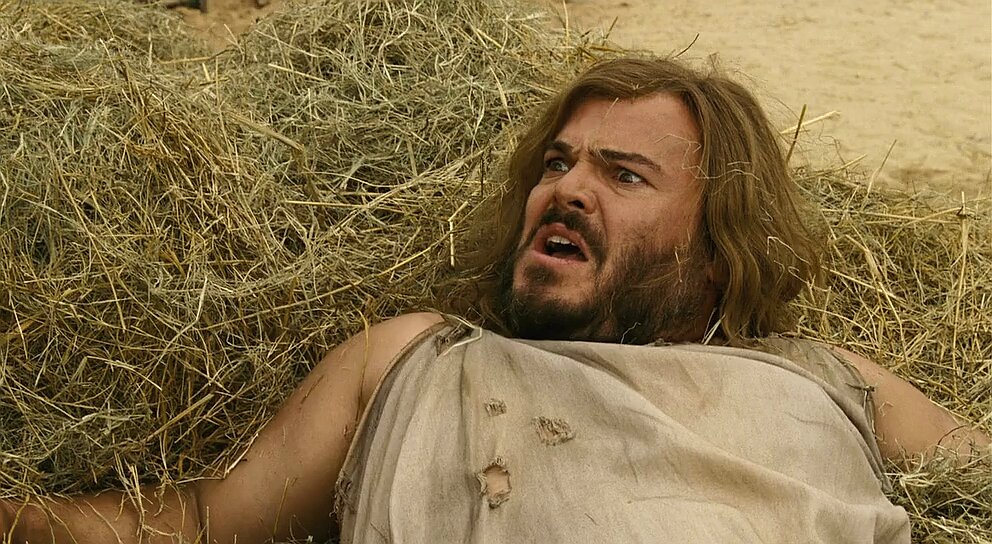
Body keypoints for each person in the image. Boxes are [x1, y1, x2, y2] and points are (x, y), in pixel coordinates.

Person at [1, 56, 988, 544]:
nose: (566, 189)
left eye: (622, 175)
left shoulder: (819, 379)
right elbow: (195, 522)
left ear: (717, 247)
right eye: (556, 164)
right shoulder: (414, 358)